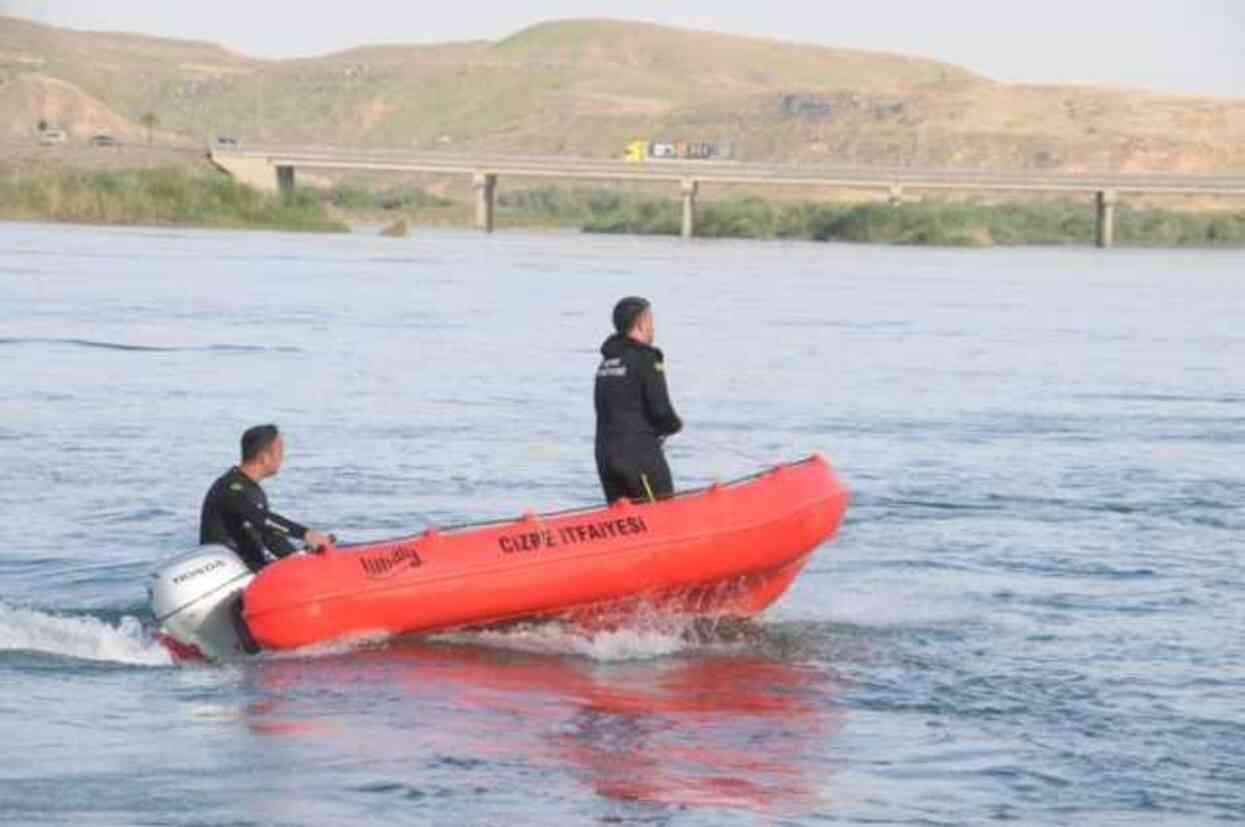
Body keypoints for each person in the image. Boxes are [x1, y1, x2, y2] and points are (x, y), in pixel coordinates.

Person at [200, 424, 331, 573]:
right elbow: (260, 518)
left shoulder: (253, 490)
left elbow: (269, 536)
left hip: (252, 571)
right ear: (264, 457)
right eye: (280, 451)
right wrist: (304, 533)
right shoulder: (229, 488)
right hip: (228, 575)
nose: (283, 457)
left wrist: (299, 559)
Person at [594, 296, 683, 503]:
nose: (653, 328)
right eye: (651, 321)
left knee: (627, 526)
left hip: (605, 457)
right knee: (662, 516)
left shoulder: (606, 363)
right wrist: (674, 425)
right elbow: (661, 410)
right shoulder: (646, 357)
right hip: (639, 457)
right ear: (641, 322)